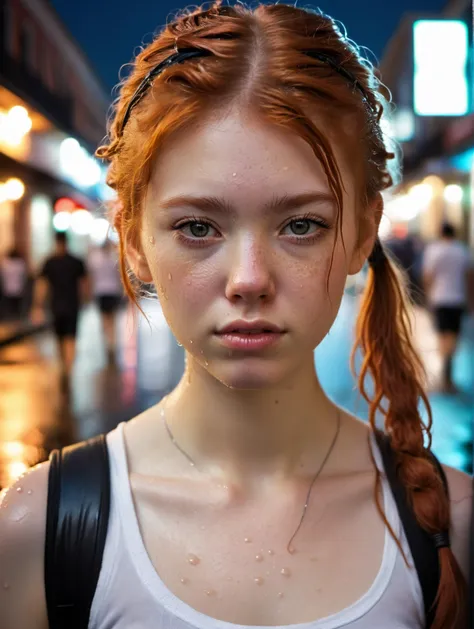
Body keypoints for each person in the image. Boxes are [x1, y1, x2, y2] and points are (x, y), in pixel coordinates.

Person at [1, 4, 472, 629]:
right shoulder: (39, 528)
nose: (249, 278)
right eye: (198, 227)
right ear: (135, 240)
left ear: (363, 232)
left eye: (301, 225)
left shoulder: (456, 525)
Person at [30, 230, 90, 381]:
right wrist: (85, 299)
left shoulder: (49, 262)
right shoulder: (76, 262)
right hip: (71, 305)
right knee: (69, 337)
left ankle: (65, 367)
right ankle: (67, 369)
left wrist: (37, 305)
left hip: (56, 306)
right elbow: (84, 284)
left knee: (61, 337)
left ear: (56, 242)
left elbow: (41, 285)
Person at [423, 222, 473, 393]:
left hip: (439, 299)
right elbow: (469, 278)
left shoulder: (434, 251)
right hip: (457, 299)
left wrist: (428, 297)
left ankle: (446, 373)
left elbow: (428, 276)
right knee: (453, 335)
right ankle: (447, 374)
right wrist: (470, 300)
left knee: (442, 335)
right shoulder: (462, 250)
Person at [88, 239, 123, 364]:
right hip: (113, 292)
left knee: (104, 319)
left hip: (101, 292)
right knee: (112, 319)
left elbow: (92, 277)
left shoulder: (96, 261)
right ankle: (112, 342)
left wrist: (90, 293)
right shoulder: (114, 260)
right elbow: (119, 277)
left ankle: (107, 342)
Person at [0, 247, 28, 321]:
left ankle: (10, 323)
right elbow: (24, 276)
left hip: (8, 290)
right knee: (17, 309)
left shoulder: (6, 264)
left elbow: (2, 275)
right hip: (19, 289)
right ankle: (17, 322)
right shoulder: (20, 264)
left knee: (9, 309)